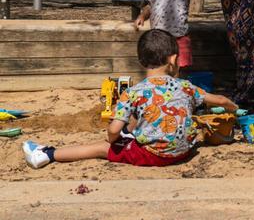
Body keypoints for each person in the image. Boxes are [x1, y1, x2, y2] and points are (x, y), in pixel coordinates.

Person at [23, 29, 236, 169]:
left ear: (142, 62)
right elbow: (219, 100)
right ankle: (49, 153)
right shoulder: (187, 87)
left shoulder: (133, 92)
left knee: (102, 148)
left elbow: (114, 130)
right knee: (136, 123)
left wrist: (112, 139)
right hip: (183, 151)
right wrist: (233, 107)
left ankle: (48, 154)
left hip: (155, 156)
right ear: (173, 60)